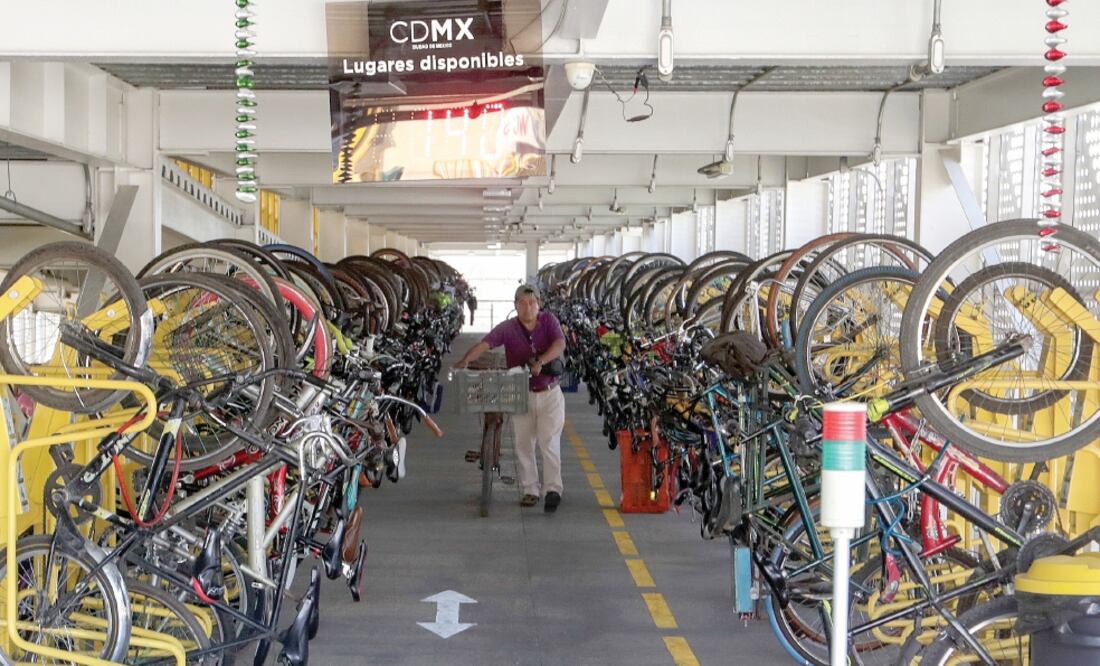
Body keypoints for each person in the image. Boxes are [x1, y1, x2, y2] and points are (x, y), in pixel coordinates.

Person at [454, 284, 567, 513]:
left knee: (549, 442)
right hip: (520, 392)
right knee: (523, 444)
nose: (528, 307)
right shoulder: (508, 328)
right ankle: (530, 490)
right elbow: (485, 344)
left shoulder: (549, 322)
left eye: (532, 302)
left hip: (550, 393)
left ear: (539, 304)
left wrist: (541, 362)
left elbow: (559, 344)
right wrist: (465, 360)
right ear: (515, 306)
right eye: (522, 303)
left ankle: (553, 490)